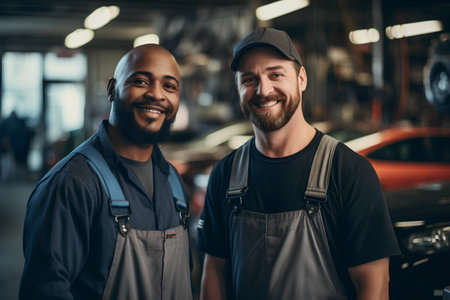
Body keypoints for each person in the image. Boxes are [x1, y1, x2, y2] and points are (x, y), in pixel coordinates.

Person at [196, 27, 401, 299]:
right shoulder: (226, 173)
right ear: (238, 88)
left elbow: (374, 287)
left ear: (301, 79)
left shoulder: (348, 170)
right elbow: (213, 273)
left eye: (275, 74)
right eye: (248, 79)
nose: (263, 89)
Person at [19, 44, 193, 300]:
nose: (157, 94)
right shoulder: (73, 183)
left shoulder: (173, 183)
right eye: (142, 81)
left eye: (169, 86)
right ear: (112, 89)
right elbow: (44, 289)